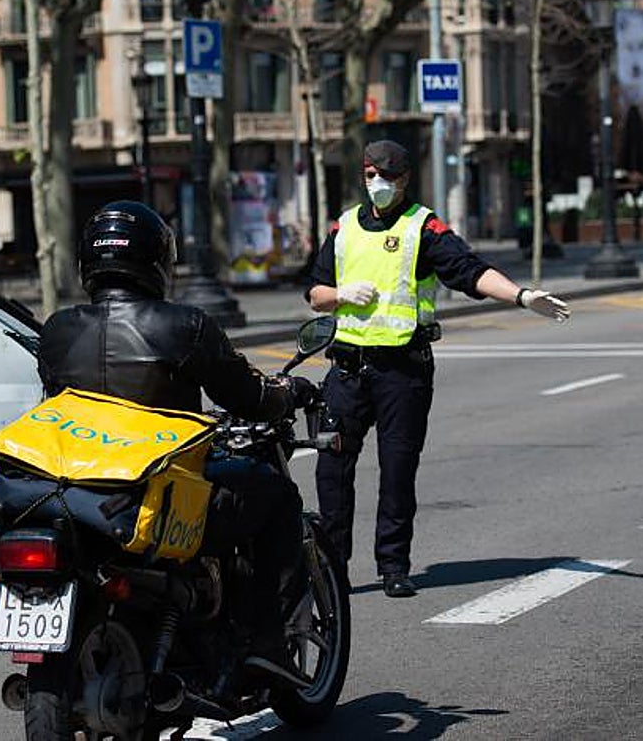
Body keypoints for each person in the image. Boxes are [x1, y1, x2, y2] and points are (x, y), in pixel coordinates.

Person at [37, 200, 315, 688]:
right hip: (158, 493)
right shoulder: (184, 324)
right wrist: (287, 393)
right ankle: (267, 642)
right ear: (157, 260)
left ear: (86, 261)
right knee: (276, 495)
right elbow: (247, 397)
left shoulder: (57, 329)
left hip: (78, 490)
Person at [303, 140, 571, 599]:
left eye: (386, 175)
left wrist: (522, 296)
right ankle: (333, 571)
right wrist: (344, 293)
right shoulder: (344, 226)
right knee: (331, 472)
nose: (377, 183)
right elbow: (316, 293)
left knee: (397, 472)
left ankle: (393, 567)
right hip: (347, 370)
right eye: (369, 174)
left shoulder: (422, 228)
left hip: (402, 373)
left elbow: (469, 271)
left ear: (405, 179)